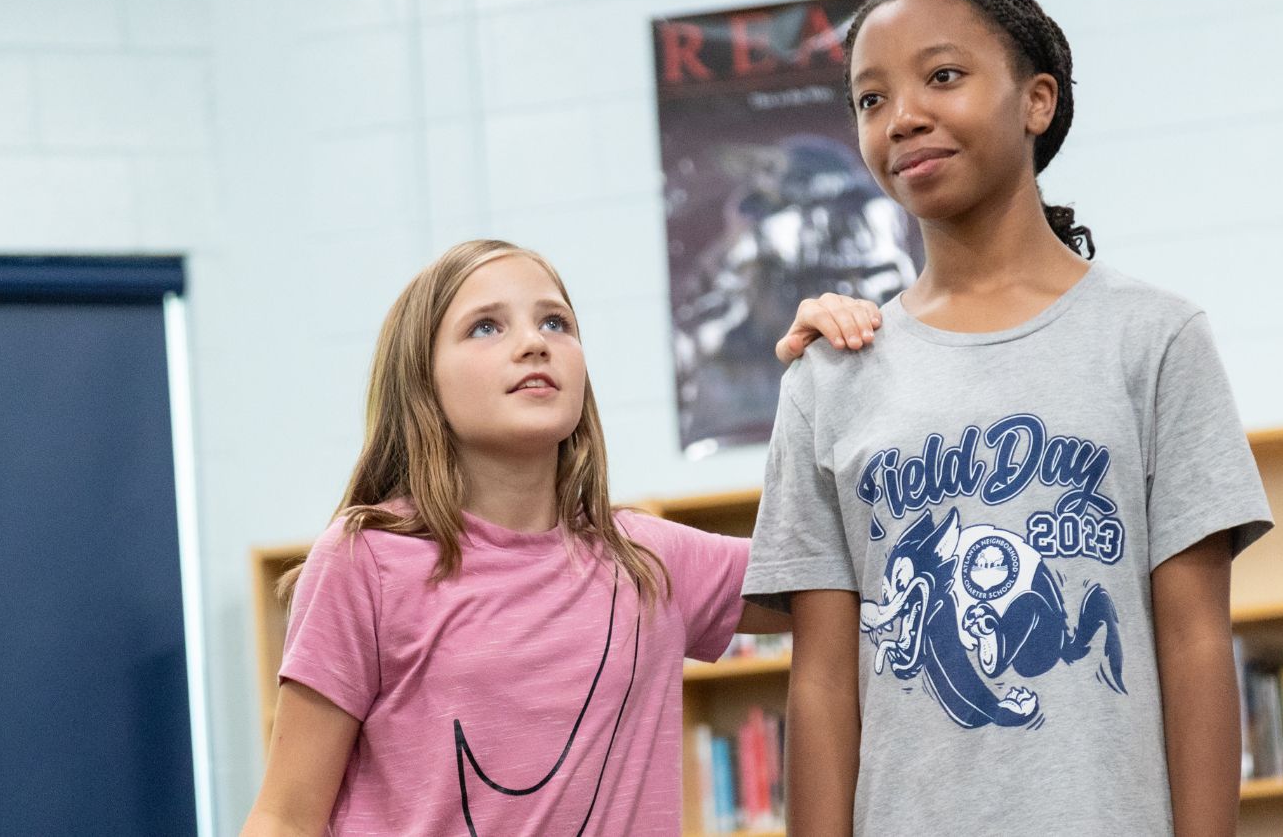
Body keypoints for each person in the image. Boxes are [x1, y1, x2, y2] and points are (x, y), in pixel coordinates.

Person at [741, 0, 1275, 837]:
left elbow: (1194, 644)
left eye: (942, 76)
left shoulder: (1155, 339)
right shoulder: (829, 376)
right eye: (870, 100)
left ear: (1036, 101)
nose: (903, 115)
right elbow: (826, 684)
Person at [241, 239, 879, 836]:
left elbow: (862, 568)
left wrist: (848, 372)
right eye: (486, 326)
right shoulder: (365, 561)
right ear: (422, 381)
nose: (533, 344)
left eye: (555, 323)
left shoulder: (652, 560)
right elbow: (285, 818)